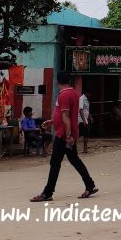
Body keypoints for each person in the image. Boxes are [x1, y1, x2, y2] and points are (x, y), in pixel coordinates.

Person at [30, 72, 97, 202]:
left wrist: (68, 135)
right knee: (74, 160)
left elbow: (66, 116)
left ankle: (47, 192)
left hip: (64, 135)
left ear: (58, 81)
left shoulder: (64, 95)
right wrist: (52, 121)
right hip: (67, 132)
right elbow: (65, 115)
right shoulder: (73, 93)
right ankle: (90, 184)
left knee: (55, 163)